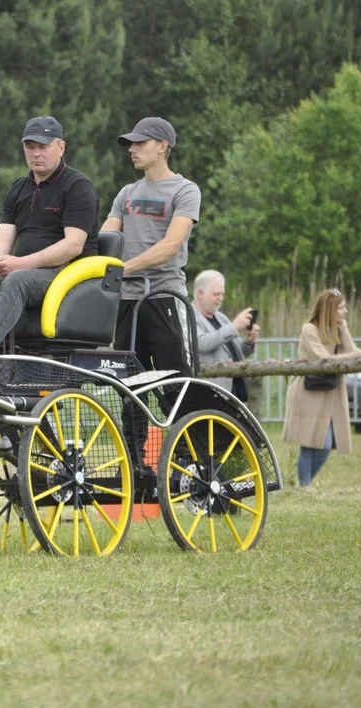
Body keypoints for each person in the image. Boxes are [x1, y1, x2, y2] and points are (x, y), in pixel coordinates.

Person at [0, 115, 100, 353]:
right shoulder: (18, 189)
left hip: (68, 278)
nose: (36, 153)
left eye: (43, 147)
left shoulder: (77, 187)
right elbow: (1, 240)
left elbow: (73, 246)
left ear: (61, 147)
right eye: (30, 146)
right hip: (25, 277)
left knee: (16, 280)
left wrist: (20, 264)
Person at [100, 118, 201, 475]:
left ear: (162, 146)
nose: (132, 149)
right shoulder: (126, 194)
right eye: (130, 144)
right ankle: (133, 462)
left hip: (164, 300)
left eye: (140, 143)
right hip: (126, 305)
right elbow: (104, 242)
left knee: (177, 383)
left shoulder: (185, 191)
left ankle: (193, 460)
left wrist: (122, 269)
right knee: (129, 386)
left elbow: (170, 247)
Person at [283, 288, 361, 488]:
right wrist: (357, 355)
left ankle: (303, 485)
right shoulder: (309, 329)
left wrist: (344, 329)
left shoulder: (335, 330)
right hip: (309, 392)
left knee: (325, 446)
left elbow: (351, 352)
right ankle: (304, 487)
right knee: (311, 443)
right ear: (329, 309)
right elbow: (323, 359)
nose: (345, 311)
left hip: (330, 392)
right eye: (341, 308)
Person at [191, 269, 260, 403]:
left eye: (222, 294)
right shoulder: (189, 316)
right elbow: (202, 344)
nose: (220, 298)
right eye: (216, 294)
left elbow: (237, 352)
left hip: (236, 392)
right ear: (200, 293)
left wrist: (249, 342)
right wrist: (234, 326)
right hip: (212, 393)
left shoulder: (221, 317)